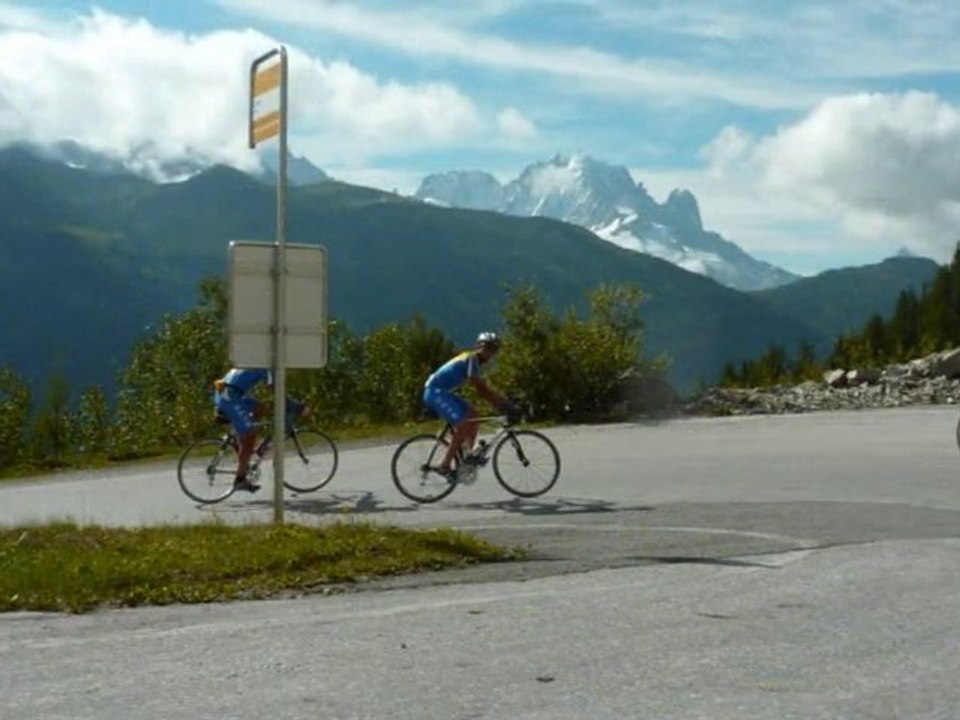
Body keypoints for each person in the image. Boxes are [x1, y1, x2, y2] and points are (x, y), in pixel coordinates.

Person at [422, 331, 517, 480]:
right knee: (464, 423)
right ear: (479, 347)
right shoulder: (471, 359)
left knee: (474, 416)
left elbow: (483, 390)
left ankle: (467, 459)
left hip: (442, 393)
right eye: (487, 347)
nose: (489, 352)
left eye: (493, 349)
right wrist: (505, 405)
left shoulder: (474, 362)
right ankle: (445, 466)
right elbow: (481, 390)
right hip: (435, 393)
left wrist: (502, 403)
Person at [212, 368, 305, 493]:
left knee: (259, 408)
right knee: (249, 438)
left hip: (227, 394)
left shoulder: (250, 360)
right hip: (230, 399)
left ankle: (245, 449)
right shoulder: (264, 367)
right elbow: (274, 388)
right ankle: (240, 480)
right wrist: (294, 405)